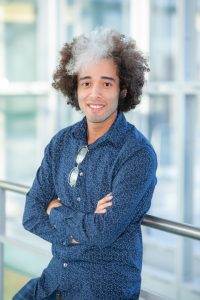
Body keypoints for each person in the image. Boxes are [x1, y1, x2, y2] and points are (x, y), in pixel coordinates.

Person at [13, 28, 157, 300]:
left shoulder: (137, 154)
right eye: (86, 83)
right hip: (54, 280)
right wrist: (84, 227)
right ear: (75, 88)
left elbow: (102, 234)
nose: (95, 94)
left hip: (101, 290)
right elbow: (31, 215)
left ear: (123, 90)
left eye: (106, 83)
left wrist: (55, 210)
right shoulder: (61, 143)